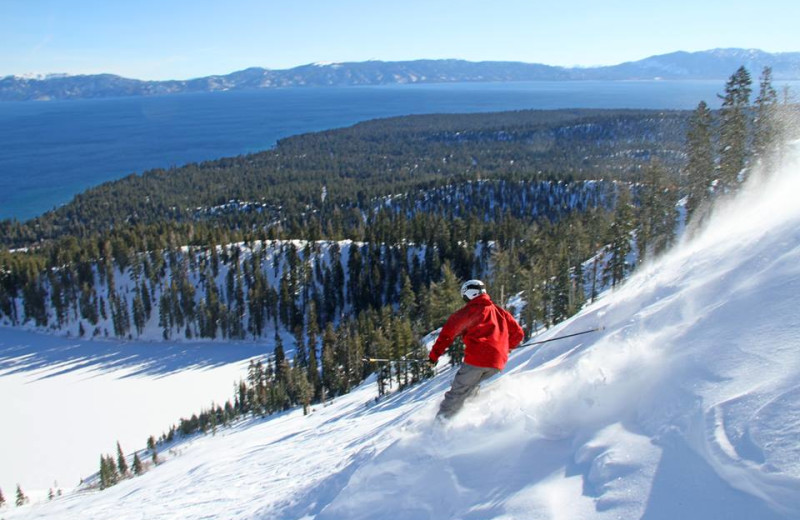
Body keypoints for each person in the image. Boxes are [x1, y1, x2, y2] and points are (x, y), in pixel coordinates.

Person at [429, 279, 524, 420]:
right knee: (471, 391)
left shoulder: (468, 312)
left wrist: (433, 357)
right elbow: (518, 334)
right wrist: (505, 347)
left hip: (477, 359)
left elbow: (447, 335)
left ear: (469, 294)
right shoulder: (499, 311)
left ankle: (438, 426)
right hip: (497, 363)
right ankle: (468, 419)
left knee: (457, 392)